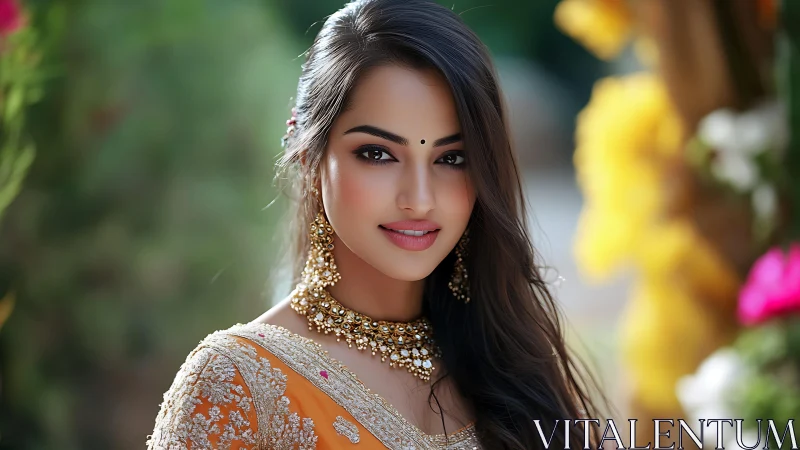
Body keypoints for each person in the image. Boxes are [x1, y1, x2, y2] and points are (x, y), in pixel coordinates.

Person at [146, 0, 607, 448]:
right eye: (378, 154)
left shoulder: (506, 364)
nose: (419, 200)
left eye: (451, 158)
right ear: (311, 159)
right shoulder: (237, 383)